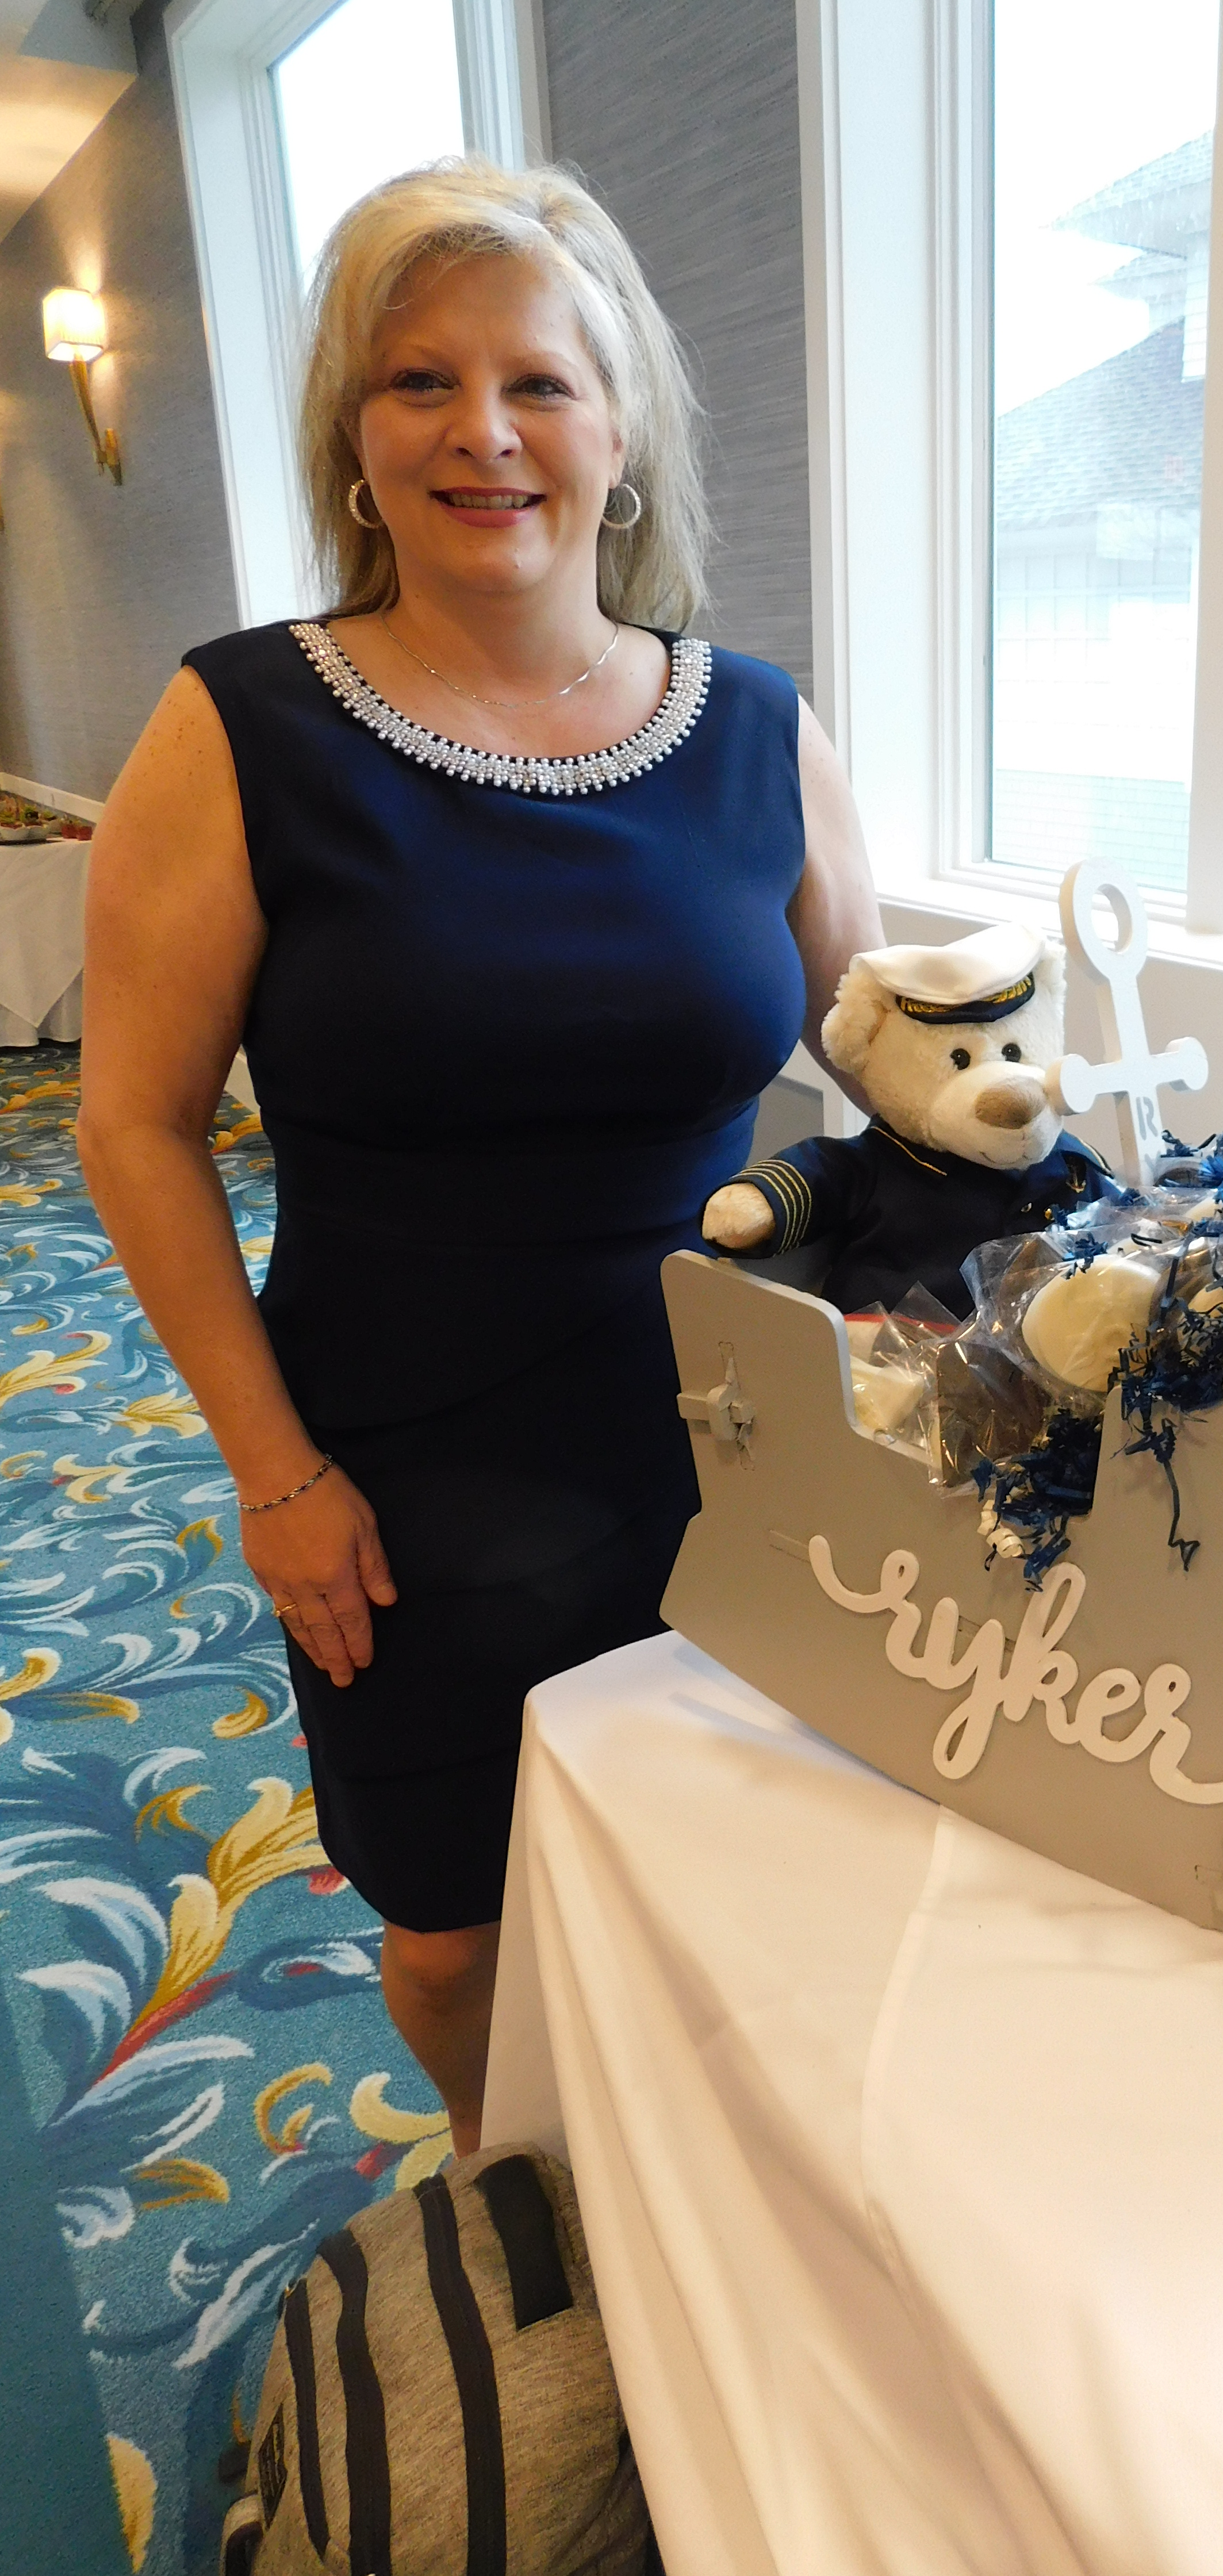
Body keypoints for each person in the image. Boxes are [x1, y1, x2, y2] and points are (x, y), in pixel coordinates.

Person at [77, 159, 880, 2157]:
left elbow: (883, 1072)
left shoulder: (758, 728)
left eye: (539, 383)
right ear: (356, 442)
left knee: (731, 1854)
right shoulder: (241, 724)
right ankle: (509, 2174)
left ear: (620, 435)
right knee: (454, 1932)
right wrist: (275, 1476)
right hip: (401, 1449)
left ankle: (707, 2198)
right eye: (419, 382)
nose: (483, 432)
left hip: (732, 1429)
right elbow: (136, 1127)